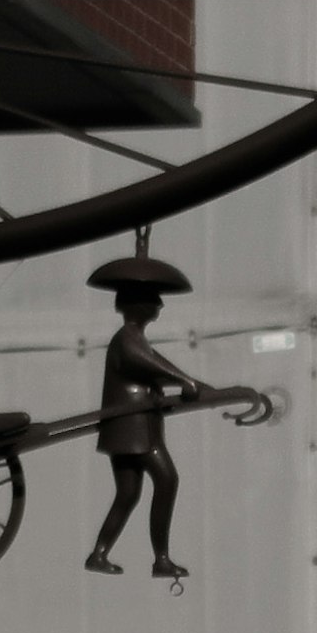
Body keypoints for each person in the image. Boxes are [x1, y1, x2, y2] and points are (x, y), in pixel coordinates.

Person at [82, 248, 226, 584]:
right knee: (167, 479)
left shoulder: (135, 339)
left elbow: (160, 367)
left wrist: (197, 385)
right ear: (138, 305)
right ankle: (160, 559)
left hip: (131, 429)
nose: (159, 307)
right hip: (135, 430)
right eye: (154, 301)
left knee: (129, 493)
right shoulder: (127, 340)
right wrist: (185, 381)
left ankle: (99, 554)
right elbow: (150, 366)